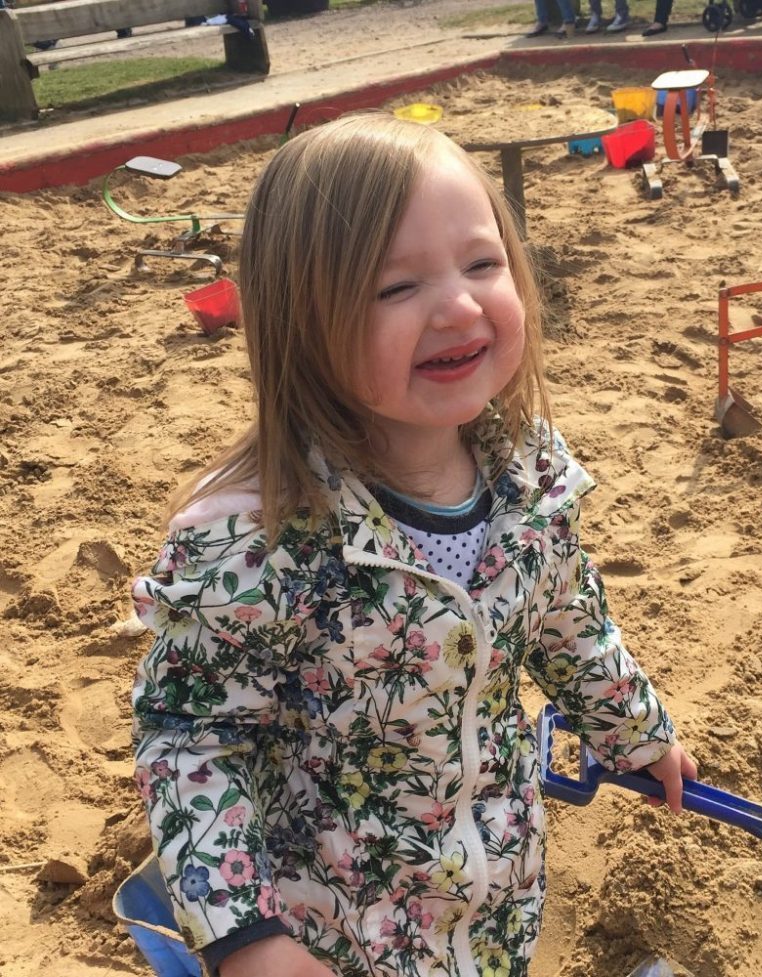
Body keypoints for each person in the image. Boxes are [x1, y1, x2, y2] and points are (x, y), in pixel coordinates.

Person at [130, 111, 697, 977]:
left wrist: (636, 731)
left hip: (494, 889)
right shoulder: (253, 541)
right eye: (396, 287)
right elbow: (188, 735)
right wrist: (245, 935)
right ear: (300, 320)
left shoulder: (529, 474)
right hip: (330, 929)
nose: (460, 307)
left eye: (483, 264)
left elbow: (569, 620)